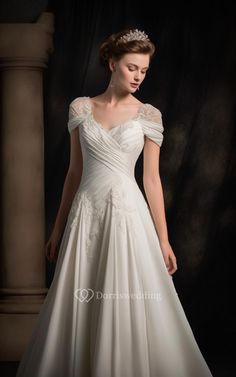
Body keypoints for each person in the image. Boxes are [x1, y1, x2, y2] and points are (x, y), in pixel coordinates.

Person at [16, 28, 213, 377]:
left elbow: (151, 180)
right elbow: (74, 173)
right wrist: (57, 229)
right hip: (87, 213)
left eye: (144, 70)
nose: (139, 76)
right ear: (111, 63)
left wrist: (163, 239)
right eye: (132, 67)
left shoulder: (148, 116)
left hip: (127, 215)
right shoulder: (80, 107)